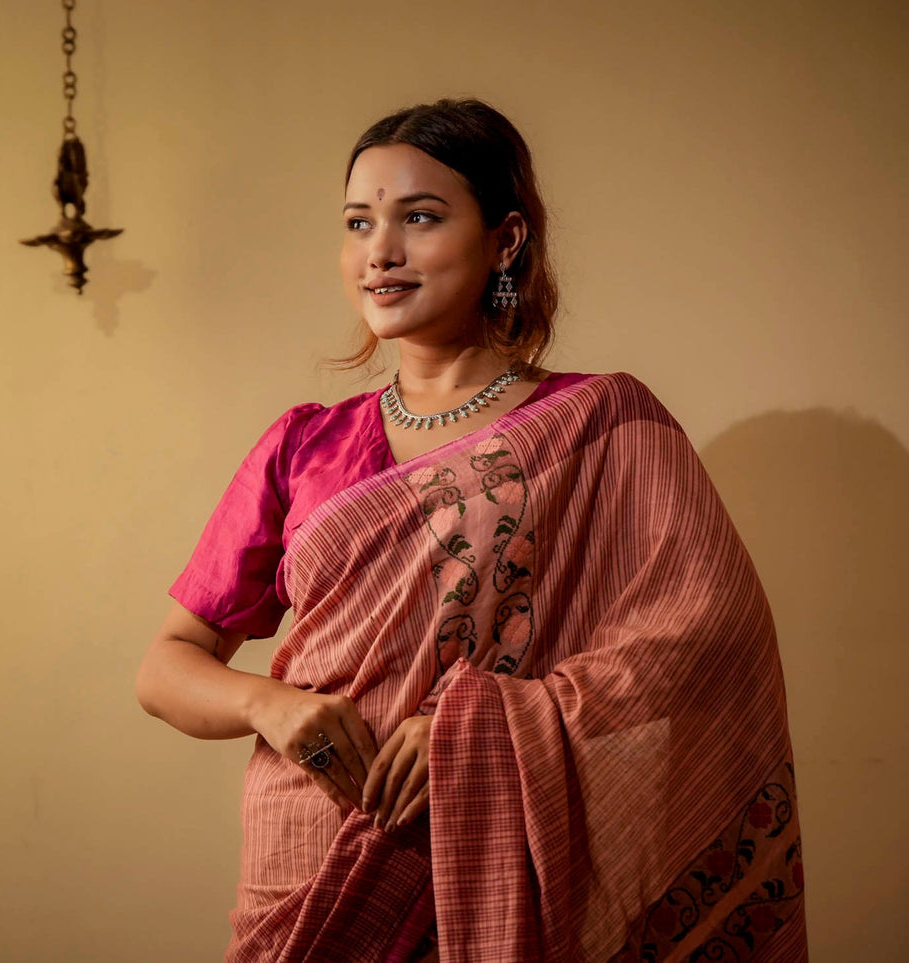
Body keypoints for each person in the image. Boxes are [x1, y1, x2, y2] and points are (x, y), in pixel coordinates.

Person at [135, 98, 807, 963]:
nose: (379, 252)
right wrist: (273, 703)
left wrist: (472, 727)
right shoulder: (304, 442)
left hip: (497, 847)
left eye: (419, 217)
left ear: (505, 239)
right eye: (357, 222)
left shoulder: (601, 421)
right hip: (306, 858)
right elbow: (166, 664)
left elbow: (705, 637)